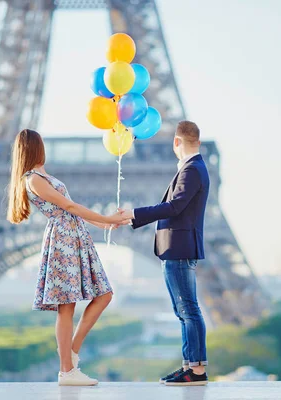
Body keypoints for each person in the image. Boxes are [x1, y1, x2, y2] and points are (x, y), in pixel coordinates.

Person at [6, 129, 129, 386]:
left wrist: (103, 226)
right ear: (36, 148)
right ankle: (67, 370)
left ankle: (71, 354)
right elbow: (69, 207)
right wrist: (106, 218)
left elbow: (72, 210)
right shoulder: (33, 179)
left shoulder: (43, 176)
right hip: (63, 241)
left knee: (104, 295)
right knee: (66, 306)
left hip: (75, 237)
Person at [119, 121, 210, 386]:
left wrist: (134, 214)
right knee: (184, 309)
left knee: (188, 309)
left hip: (179, 248)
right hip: (178, 247)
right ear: (198, 142)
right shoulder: (194, 168)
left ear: (176, 143)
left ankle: (195, 369)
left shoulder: (192, 169)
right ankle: (190, 366)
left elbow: (174, 206)